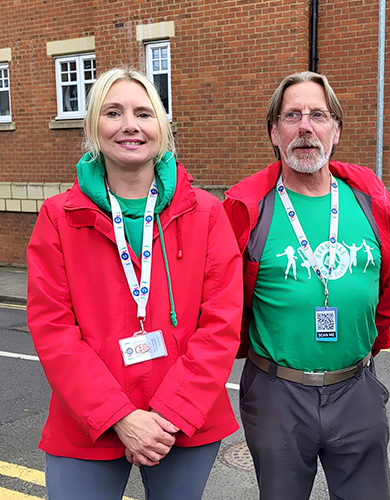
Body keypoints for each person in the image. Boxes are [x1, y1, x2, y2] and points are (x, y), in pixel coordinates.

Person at [26, 67, 243, 500]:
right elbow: (53, 330)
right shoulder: (57, 217)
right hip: (87, 423)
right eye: (113, 112)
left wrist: (166, 414)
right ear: (92, 127)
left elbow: (221, 323)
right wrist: (120, 417)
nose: (130, 125)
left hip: (182, 420)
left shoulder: (206, 213)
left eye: (143, 113)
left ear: (161, 128)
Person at [223, 71, 390, 500]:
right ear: (274, 131)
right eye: (292, 115)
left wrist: (366, 340)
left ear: (336, 130)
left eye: (318, 115)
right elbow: (227, 300)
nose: (305, 127)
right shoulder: (247, 210)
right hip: (277, 394)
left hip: (357, 388)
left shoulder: (371, 201)